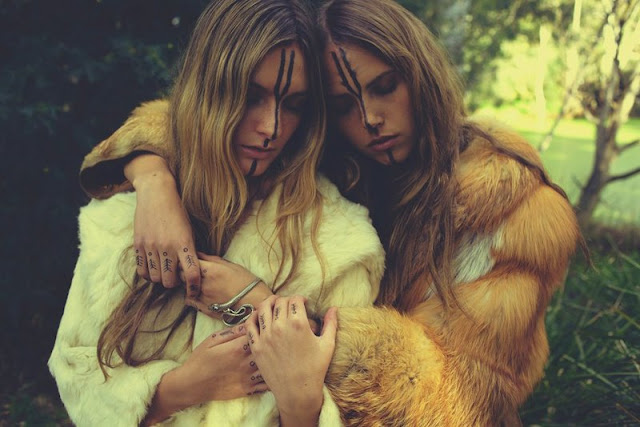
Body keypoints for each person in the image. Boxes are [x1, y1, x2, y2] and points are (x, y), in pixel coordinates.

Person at [75, 0, 581, 424]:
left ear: (420, 73)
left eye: (385, 86)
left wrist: (269, 311)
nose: (370, 118)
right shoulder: (328, 158)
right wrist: (153, 177)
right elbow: (203, 117)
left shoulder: (513, 209)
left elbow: (469, 400)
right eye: (343, 105)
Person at [48, 0, 385, 426]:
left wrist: (262, 309)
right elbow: (75, 372)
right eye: (250, 96)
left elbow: (354, 408)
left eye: (294, 104)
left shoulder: (339, 244)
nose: (271, 128)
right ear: (208, 88)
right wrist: (184, 387)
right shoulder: (123, 219)